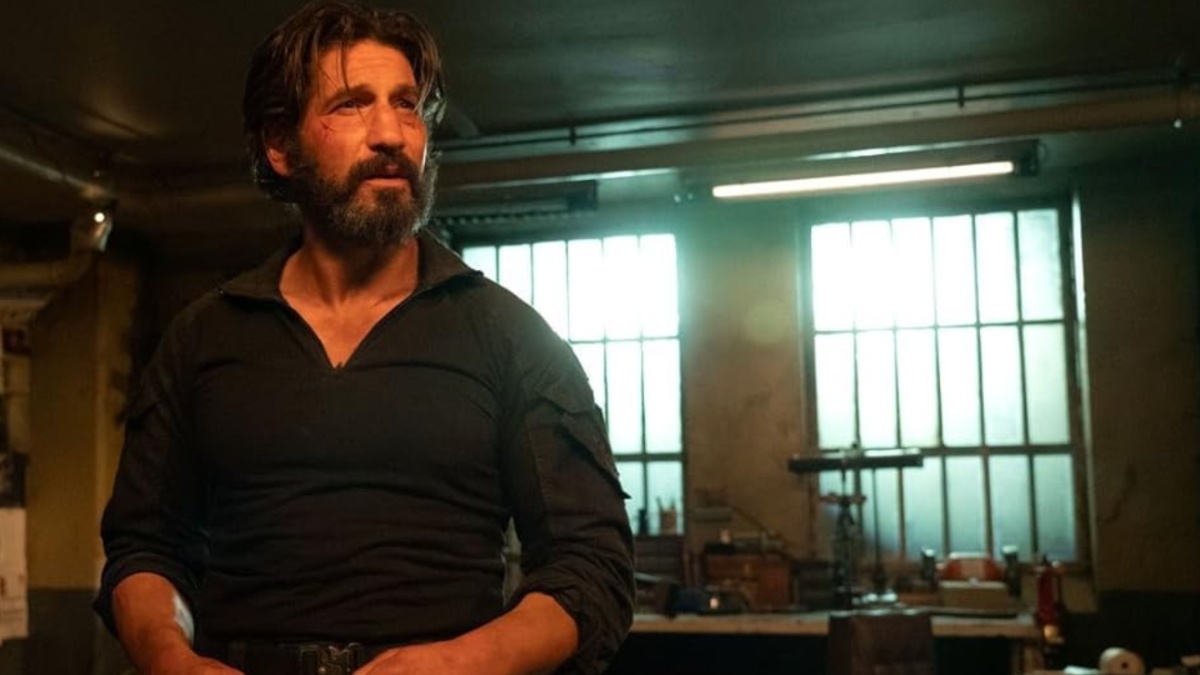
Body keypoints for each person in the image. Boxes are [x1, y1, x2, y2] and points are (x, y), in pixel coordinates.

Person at [93, 1, 635, 673]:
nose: (390, 133)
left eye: (407, 105)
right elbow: (144, 549)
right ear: (280, 145)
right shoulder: (202, 337)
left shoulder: (512, 337)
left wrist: (455, 665)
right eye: (351, 105)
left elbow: (592, 568)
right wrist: (171, 659)